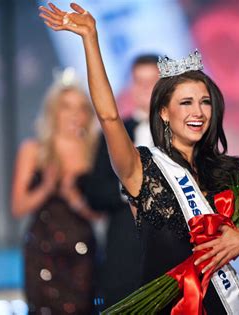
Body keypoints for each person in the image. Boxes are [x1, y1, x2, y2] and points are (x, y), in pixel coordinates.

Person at [39, 3, 239, 313]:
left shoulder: (231, 170)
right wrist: (91, 39)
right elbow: (109, 117)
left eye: (205, 102)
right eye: (186, 102)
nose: (197, 111)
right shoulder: (144, 170)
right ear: (164, 112)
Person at [76, 54, 159, 308]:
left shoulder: (181, 133)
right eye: (139, 81)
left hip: (172, 251)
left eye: (152, 81)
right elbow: (95, 193)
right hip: (124, 252)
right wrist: (131, 186)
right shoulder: (113, 134)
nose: (145, 88)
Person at [11, 81, 100, 314]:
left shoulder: (94, 151)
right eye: (66, 106)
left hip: (82, 252)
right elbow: (18, 207)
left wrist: (75, 199)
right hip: (42, 251)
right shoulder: (33, 150)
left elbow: (101, 212)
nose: (74, 114)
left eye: (80, 107)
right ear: (53, 111)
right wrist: (47, 187)